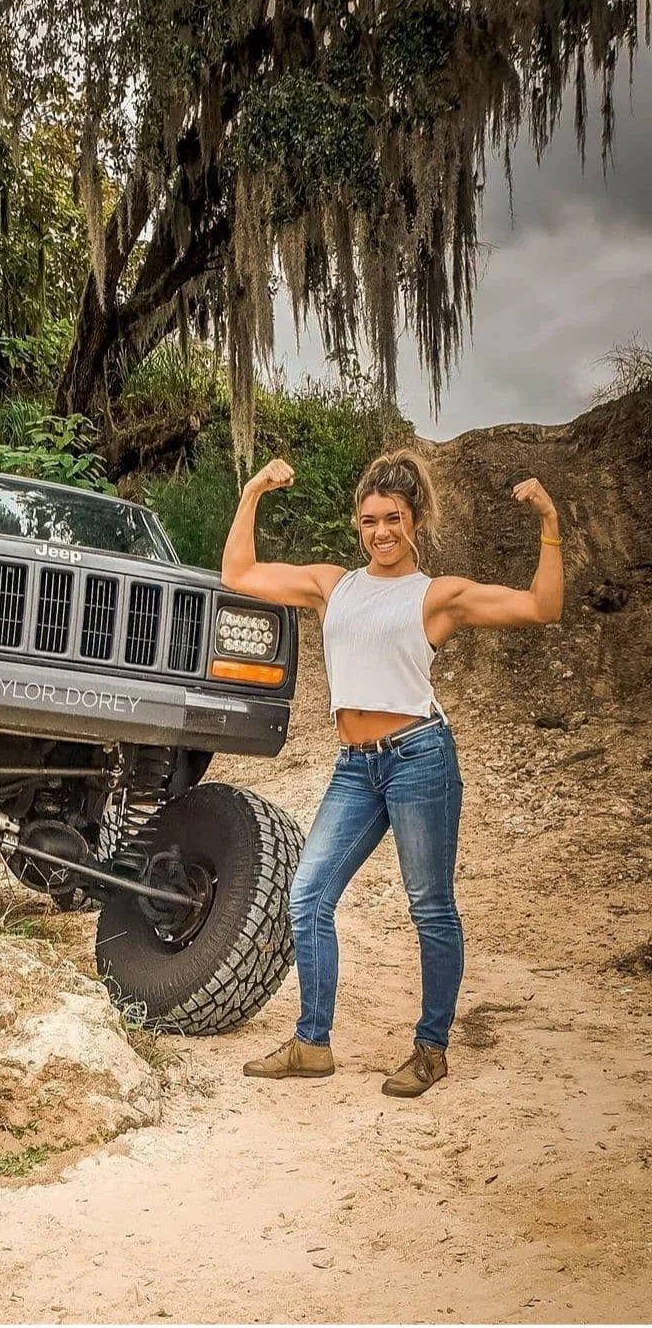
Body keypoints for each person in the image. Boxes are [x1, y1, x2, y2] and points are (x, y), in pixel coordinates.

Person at [221, 449, 563, 1097]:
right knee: (307, 896)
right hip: (356, 767)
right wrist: (254, 490)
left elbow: (542, 607)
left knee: (430, 907)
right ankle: (311, 1043)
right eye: (369, 520)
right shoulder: (333, 585)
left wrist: (548, 520)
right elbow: (239, 571)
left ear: (416, 520)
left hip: (419, 760)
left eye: (393, 518)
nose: (380, 532)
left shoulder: (437, 596)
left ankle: (431, 1050)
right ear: (358, 524)